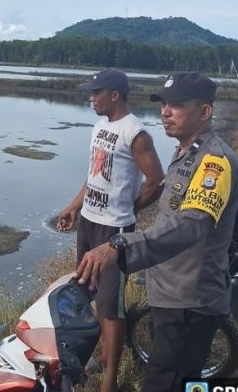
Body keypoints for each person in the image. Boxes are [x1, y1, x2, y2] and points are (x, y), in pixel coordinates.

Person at [75, 72, 238, 392]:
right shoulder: (187, 152)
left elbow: (190, 225)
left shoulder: (214, 161)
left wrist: (120, 246)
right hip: (171, 295)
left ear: (204, 112)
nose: (165, 111)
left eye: (176, 105)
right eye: (163, 104)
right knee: (182, 379)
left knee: (165, 381)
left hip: (190, 302)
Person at [57, 68, 164, 392]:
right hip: (89, 222)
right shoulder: (100, 127)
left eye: (96, 92)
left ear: (114, 95)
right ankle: (103, 353)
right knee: (88, 291)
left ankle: (110, 381)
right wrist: (74, 207)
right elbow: (94, 177)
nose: (91, 98)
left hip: (113, 231)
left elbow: (156, 180)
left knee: (110, 304)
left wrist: (130, 209)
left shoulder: (135, 132)